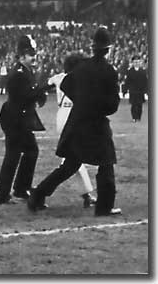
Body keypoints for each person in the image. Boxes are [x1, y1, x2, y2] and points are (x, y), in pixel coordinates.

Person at [28, 27, 122, 216]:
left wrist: (81, 101)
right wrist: (97, 106)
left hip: (77, 122)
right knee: (106, 163)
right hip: (96, 124)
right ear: (108, 50)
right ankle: (104, 207)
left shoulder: (82, 67)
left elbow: (66, 85)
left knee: (70, 165)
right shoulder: (109, 70)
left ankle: (37, 195)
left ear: (93, 47)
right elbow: (112, 105)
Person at [0, 35, 52, 204]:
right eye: (31, 55)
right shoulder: (19, 74)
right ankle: (4, 195)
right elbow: (27, 95)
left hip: (19, 119)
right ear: (22, 56)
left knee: (30, 151)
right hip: (15, 120)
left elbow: (31, 93)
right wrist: (46, 87)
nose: (34, 58)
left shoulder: (25, 71)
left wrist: (40, 93)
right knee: (13, 156)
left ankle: (19, 188)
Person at [46, 52, 97, 208]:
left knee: (73, 157)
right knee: (75, 157)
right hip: (73, 115)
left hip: (61, 114)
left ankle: (86, 194)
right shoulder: (80, 79)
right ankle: (86, 194)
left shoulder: (58, 77)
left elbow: (45, 85)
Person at [122, 55, 148, 122]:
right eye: (135, 62)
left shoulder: (143, 71)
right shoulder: (130, 72)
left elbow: (145, 82)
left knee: (140, 106)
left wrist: (147, 91)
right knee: (134, 105)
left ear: (140, 62)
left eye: (138, 62)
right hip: (133, 91)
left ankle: (138, 118)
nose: (136, 63)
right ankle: (134, 118)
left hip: (140, 92)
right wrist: (124, 91)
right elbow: (127, 82)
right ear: (133, 63)